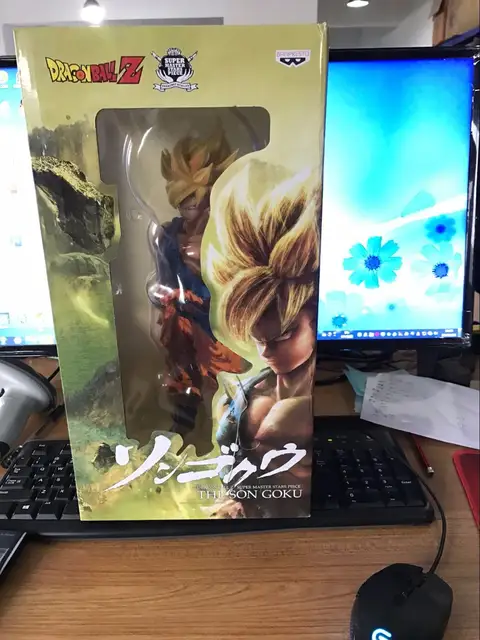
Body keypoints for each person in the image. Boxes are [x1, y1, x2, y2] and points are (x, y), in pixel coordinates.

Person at [207, 163, 320, 517]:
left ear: (315, 319)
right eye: (258, 340)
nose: (267, 351)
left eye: (284, 335)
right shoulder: (245, 397)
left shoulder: (316, 400)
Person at [147, 129, 248, 454]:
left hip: (215, 325)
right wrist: (164, 298)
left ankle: (231, 438)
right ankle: (183, 426)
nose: (191, 204)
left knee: (223, 381)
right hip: (180, 322)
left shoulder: (227, 234)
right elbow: (163, 278)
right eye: (185, 197)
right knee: (182, 377)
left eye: (198, 196)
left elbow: (238, 282)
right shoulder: (167, 234)